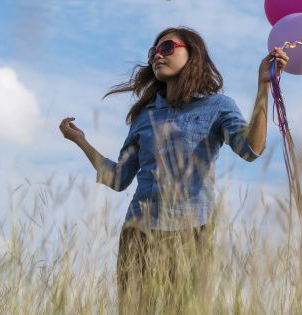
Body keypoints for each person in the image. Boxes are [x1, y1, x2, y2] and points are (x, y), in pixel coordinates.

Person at [59, 26, 288, 312]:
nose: (157, 55)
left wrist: (263, 86)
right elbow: (118, 179)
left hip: (191, 232)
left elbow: (250, 150)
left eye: (167, 48)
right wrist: (81, 142)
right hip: (138, 233)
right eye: (153, 51)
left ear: (192, 55)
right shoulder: (144, 115)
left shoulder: (218, 106)